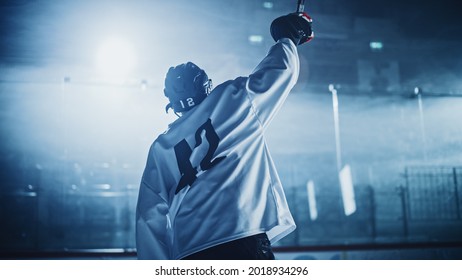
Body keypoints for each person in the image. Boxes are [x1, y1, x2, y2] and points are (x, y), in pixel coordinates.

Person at [136, 12, 313, 260]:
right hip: (241, 235)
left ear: (173, 103)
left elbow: (149, 216)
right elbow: (281, 70)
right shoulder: (231, 98)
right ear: (205, 86)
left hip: (190, 250)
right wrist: (288, 38)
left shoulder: (161, 146)